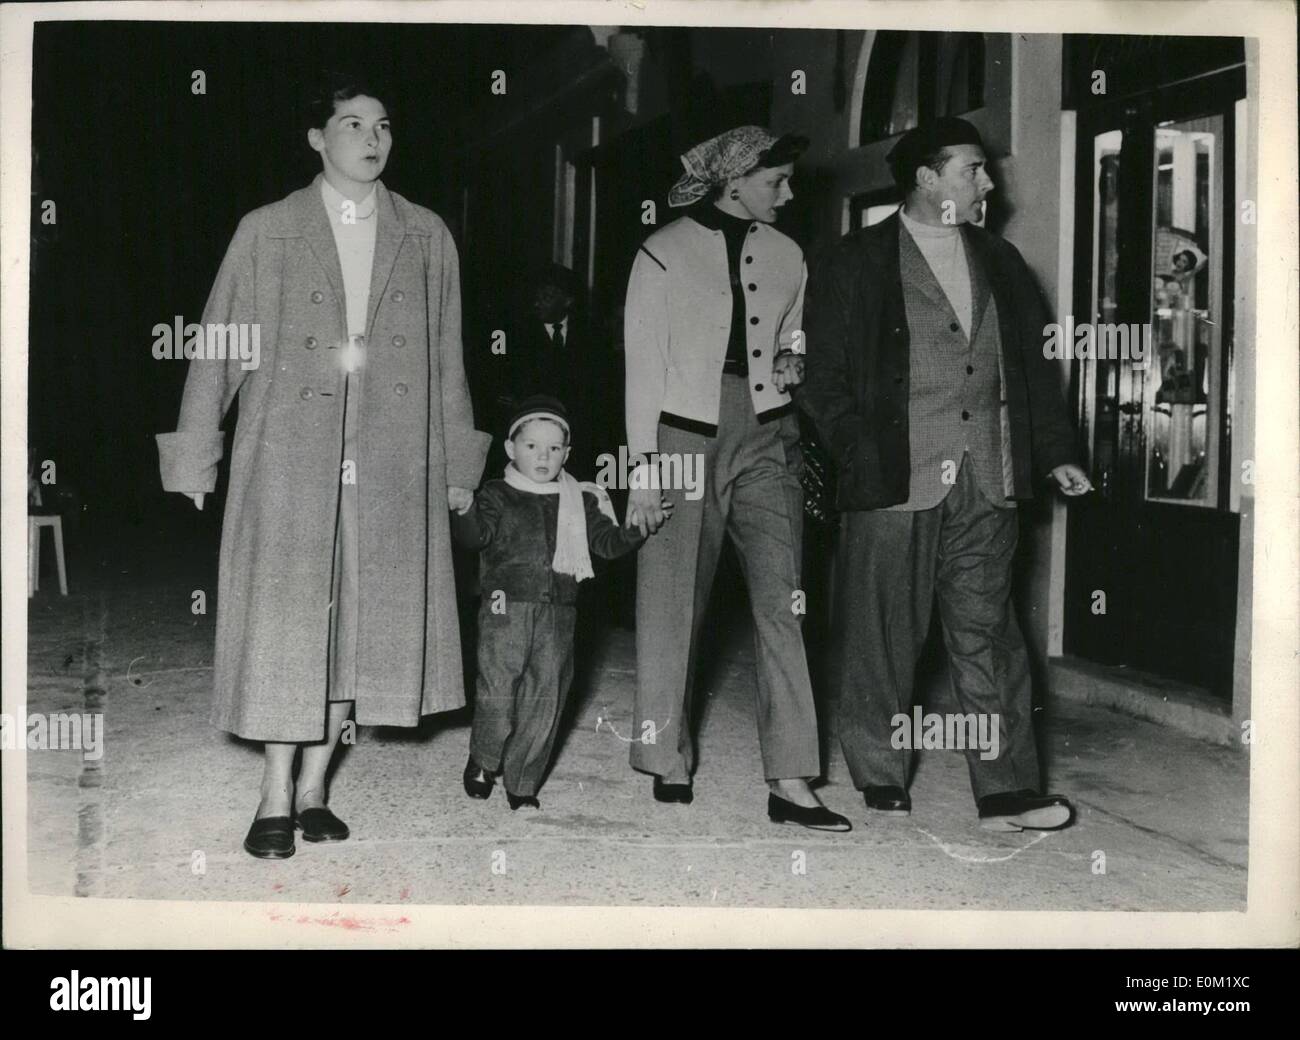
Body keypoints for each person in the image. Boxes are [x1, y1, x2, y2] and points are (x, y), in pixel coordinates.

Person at [156, 72, 490, 858]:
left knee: (364, 618)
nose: (371, 138)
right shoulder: (267, 229)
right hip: (290, 449)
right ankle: (274, 791)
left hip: (391, 451)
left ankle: (315, 790)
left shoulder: (426, 233)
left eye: (381, 124)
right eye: (351, 124)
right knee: (288, 619)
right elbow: (221, 344)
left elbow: (448, 358)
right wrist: (197, 455)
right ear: (317, 138)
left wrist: (456, 462)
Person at [798, 116, 1090, 832]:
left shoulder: (1002, 262)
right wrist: (857, 453)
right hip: (892, 478)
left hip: (988, 477)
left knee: (989, 634)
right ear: (928, 179)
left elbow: (1031, 371)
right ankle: (878, 769)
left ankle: (1007, 790)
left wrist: (1055, 452)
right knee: (883, 633)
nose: (988, 182)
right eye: (973, 169)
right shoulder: (855, 260)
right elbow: (820, 378)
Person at [622, 125, 850, 832]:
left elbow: (796, 334)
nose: (787, 193)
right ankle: (668, 756)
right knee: (673, 599)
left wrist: (793, 359)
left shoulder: (788, 253)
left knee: (787, 601)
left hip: (768, 432)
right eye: (775, 181)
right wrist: (642, 467)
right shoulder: (661, 251)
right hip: (681, 431)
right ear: (734, 180)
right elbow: (641, 367)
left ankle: (791, 778)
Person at [452, 396, 654, 809]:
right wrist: (464, 509)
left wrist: (635, 528)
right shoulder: (496, 493)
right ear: (511, 450)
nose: (543, 456)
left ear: (567, 452)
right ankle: (484, 759)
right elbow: (475, 538)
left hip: (559, 613)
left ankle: (522, 780)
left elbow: (606, 544)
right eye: (531, 447)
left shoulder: (580, 498)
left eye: (553, 448)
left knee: (546, 695)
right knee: (498, 691)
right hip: (504, 610)